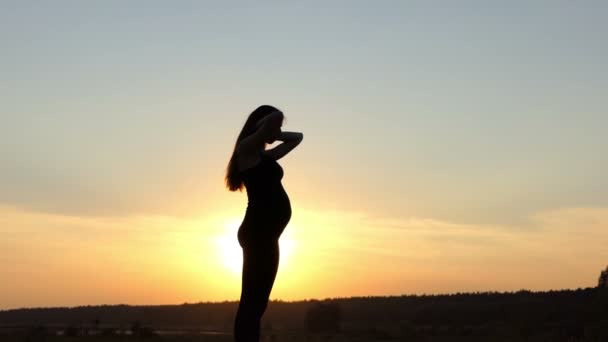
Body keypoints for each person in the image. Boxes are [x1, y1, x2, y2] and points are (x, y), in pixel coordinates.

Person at [225, 105, 304, 341]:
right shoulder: (246, 149)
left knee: (258, 304)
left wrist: (275, 134)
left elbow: (297, 138)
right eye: (275, 126)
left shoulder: (262, 156)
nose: (278, 129)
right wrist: (265, 127)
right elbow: (273, 119)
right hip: (258, 232)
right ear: (260, 124)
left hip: (267, 235)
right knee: (251, 303)